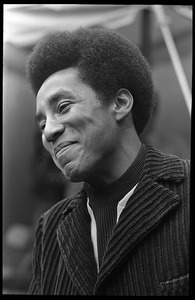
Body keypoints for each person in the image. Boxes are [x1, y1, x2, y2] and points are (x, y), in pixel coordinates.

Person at [26, 27, 190, 296]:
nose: (48, 132)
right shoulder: (51, 227)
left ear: (120, 102)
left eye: (63, 107)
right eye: (42, 122)